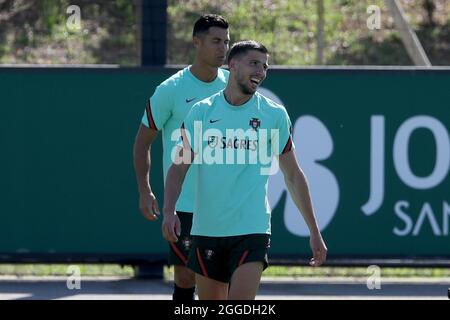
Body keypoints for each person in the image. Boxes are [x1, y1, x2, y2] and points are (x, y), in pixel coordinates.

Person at [162, 40, 328, 300]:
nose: (261, 72)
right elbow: (178, 168)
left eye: (265, 67)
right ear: (233, 65)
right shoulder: (201, 112)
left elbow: (293, 175)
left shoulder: (274, 115)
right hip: (207, 229)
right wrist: (169, 210)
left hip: (252, 228)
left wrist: (314, 232)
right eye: (254, 64)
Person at [133, 14, 230, 301]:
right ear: (196, 43)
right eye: (215, 41)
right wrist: (145, 189)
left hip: (224, 202)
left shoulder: (233, 87)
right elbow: (142, 142)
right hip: (185, 204)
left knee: (218, 282)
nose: (223, 48)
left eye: (226, 42)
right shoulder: (171, 89)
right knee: (186, 276)